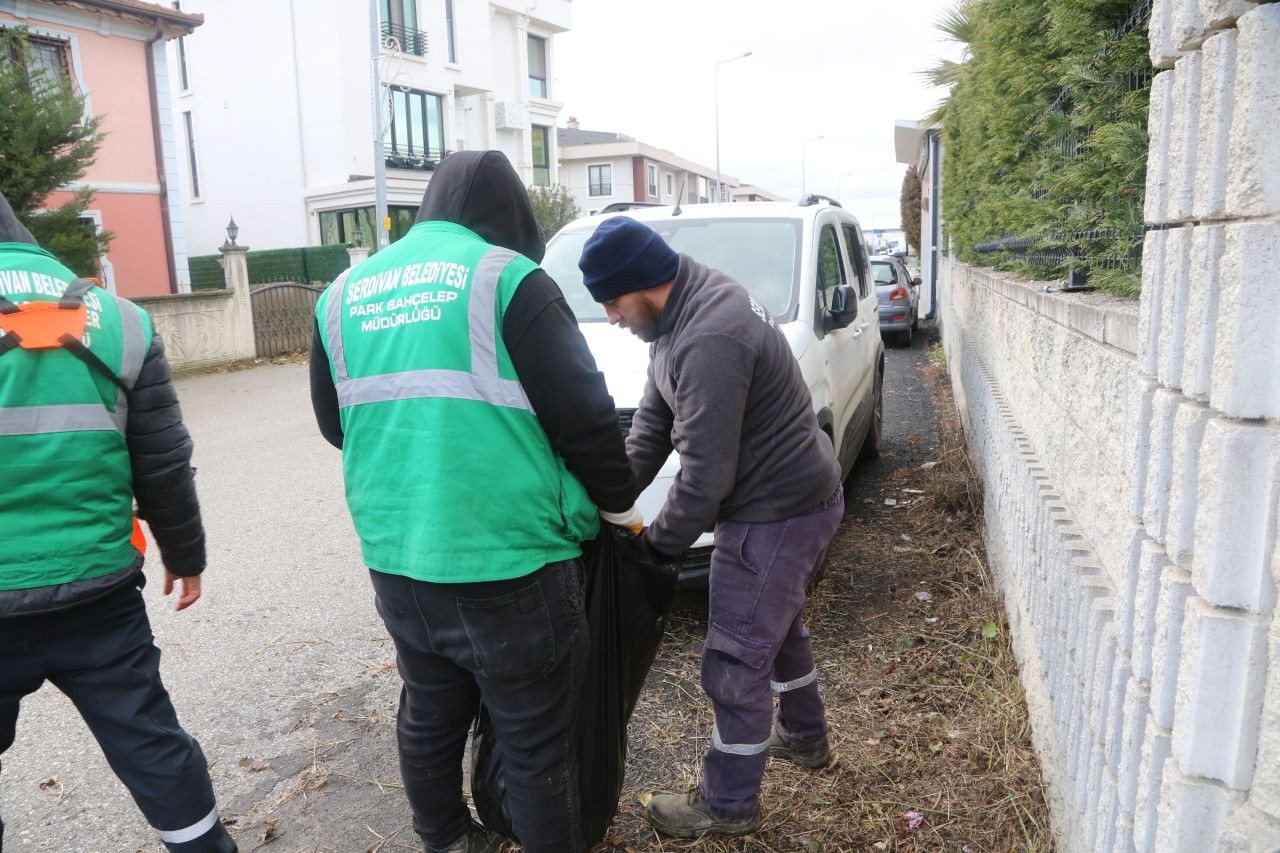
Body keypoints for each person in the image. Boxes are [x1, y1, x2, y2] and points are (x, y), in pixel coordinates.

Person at [309, 150, 639, 853]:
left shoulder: (341, 295)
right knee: (536, 743)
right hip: (512, 564)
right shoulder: (508, 279)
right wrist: (622, 510)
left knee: (429, 713)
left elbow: (337, 425)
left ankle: (447, 840)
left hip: (400, 560)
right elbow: (585, 419)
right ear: (511, 220)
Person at [578, 216, 846, 838]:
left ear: (642, 283)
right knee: (777, 630)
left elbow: (704, 480)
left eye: (613, 302)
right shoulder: (676, 315)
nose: (611, 318)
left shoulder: (711, 336)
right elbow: (653, 422)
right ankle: (805, 736)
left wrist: (654, 551)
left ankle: (728, 804)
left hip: (777, 512)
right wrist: (611, 501)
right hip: (791, 499)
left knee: (735, 654)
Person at [0, 193, 236, 852]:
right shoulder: (121, 320)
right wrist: (185, 555)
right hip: (99, 594)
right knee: (148, 741)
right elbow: (162, 459)